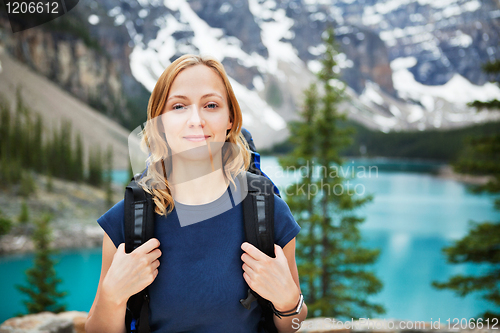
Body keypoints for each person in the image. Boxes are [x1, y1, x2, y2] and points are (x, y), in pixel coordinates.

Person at [85, 54, 308, 333]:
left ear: (230, 118)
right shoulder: (127, 218)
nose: (196, 120)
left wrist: (288, 301)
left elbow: (294, 327)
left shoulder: (268, 212)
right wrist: (112, 295)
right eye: (178, 106)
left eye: (211, 105)